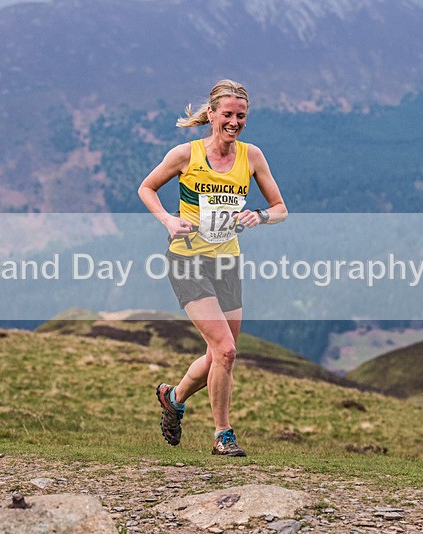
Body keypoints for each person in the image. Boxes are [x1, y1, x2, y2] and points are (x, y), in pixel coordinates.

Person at [138, 80, 287, 456]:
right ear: (212, 114)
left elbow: (280, 208)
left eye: (241, 116)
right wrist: (168, 222)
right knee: (226, 351)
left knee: (220, 353)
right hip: (187, 259)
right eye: (228, 115)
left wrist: (260, 215)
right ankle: (223, 434)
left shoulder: (252, 157)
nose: (234, 122)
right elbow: (146, 188)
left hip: (227, 263)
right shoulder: (185, 155)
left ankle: (174, 396)